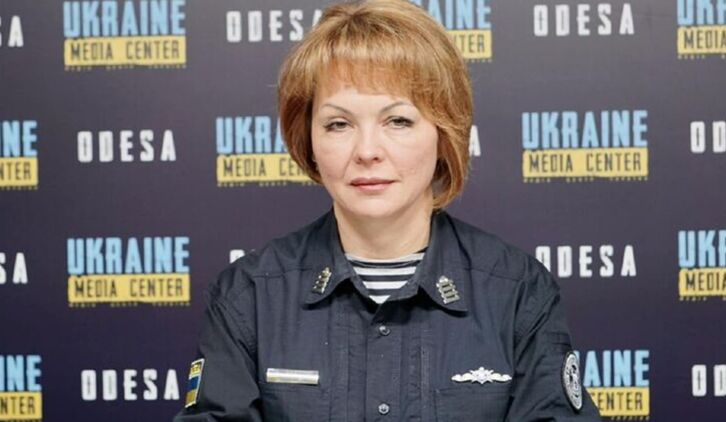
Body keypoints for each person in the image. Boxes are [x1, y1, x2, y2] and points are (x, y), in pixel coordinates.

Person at [174, 0, 602, 420]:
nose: (367, 151)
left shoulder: (518, 292)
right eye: (338, 124)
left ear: (445, 133)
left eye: (398, 121)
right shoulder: (248, 296)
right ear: (309, 140)